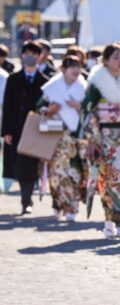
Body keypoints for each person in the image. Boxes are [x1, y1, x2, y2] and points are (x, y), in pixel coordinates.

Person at [82, 43, 120, 239]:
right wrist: (93, 139)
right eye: (116, 57)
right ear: (106, 60)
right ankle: (110, 221)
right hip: (105, 138)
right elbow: (88, 112)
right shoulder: (97, 82)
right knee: (106, 180)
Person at [38, 56, 87, 221]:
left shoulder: (83, 87)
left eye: (78, 67)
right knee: (56, 174)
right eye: (72, 66)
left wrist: (78, 106)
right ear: (63, 69)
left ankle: (72, 207)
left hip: (75, 137)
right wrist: (49, 109)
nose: (76, 70)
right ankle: (58, 204)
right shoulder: (52, 86)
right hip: (55, 135)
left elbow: (91, 110)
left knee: (74, 173)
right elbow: (39, 106)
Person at [1, 41, 47, 214]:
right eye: (27, 53)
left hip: (36, 129)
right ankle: (25, 199)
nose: (30, 57)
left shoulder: (44, 81)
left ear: (39, 56)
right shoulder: (13, 79)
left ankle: (27, 199)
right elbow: (7, 106)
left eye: (33, 54)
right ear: (22, 56)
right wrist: (6, 131)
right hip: (17, 127)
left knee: (31, 163)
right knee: (19, 163)